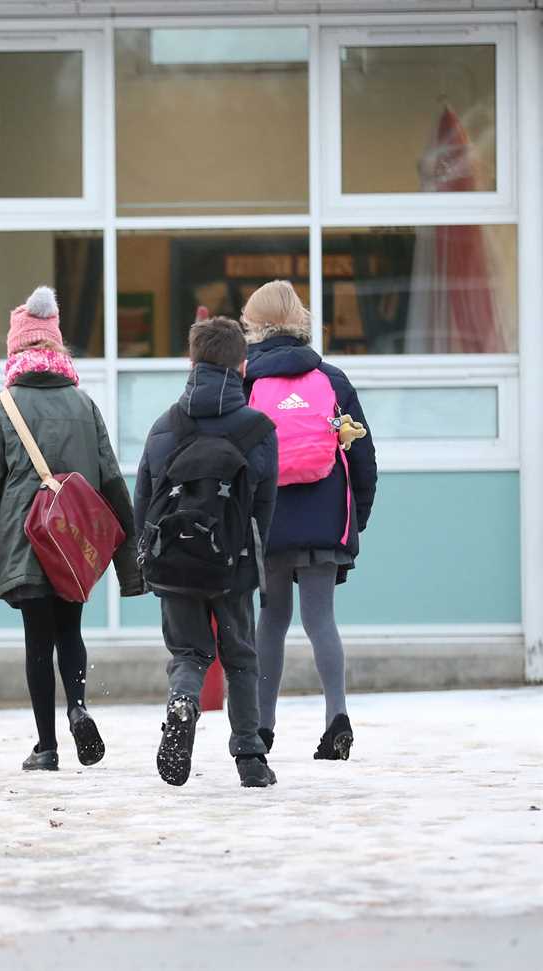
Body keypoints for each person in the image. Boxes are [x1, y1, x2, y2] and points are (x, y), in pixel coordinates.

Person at [0, 286, 142, 773]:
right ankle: (79, 706)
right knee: (71, 632)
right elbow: (111, 480)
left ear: (16, 349)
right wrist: (129, 564)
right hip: (75, 546)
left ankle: (46, 746)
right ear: (57, 348)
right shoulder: (85, 405)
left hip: (28, 544)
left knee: (37, 641)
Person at [134, 315, 279, 788]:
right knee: (241, 656)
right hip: (232, 564)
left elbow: (145, 496)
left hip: (175, 561)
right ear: (242, 364)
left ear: (191, 361)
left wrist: (146, 556)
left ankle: (182, 702)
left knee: (189, 654)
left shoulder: (165, 425)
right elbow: (264, 505)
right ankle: (250, 758)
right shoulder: (258, 428)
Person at [242, 280, 378, 761]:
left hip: (269, 520)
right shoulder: (333, 379)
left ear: (253, 325)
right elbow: (363, 457)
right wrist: (355, 515)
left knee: (271, 621)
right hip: (324, 518)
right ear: (300, 319)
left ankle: (261, 729)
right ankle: (337, 717)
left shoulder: (246, 380)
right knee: (321, 621)